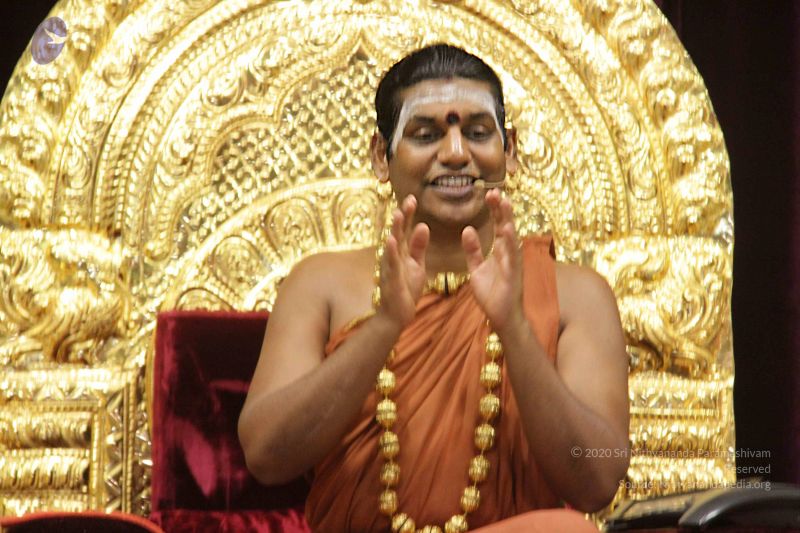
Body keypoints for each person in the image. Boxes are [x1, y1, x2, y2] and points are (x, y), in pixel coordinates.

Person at [238, 44, 630, 532]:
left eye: (478, 133)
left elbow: (598, 477)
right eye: (425, 135)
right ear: (381, 156)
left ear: (509, 150)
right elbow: (266, 455)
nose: (456, 154)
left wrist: (515, 329)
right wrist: (384, 327)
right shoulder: (321, 283)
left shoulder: (576, 294)